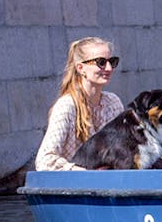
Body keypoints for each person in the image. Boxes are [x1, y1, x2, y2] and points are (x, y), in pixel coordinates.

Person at [35, 37, 124, 170]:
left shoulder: (113, 103)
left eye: (112, 61)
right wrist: (83, 173)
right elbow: (44, 160)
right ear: (81, 68)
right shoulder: (66, 106)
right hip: (75, 185)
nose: (109, 68)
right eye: (101, 62)